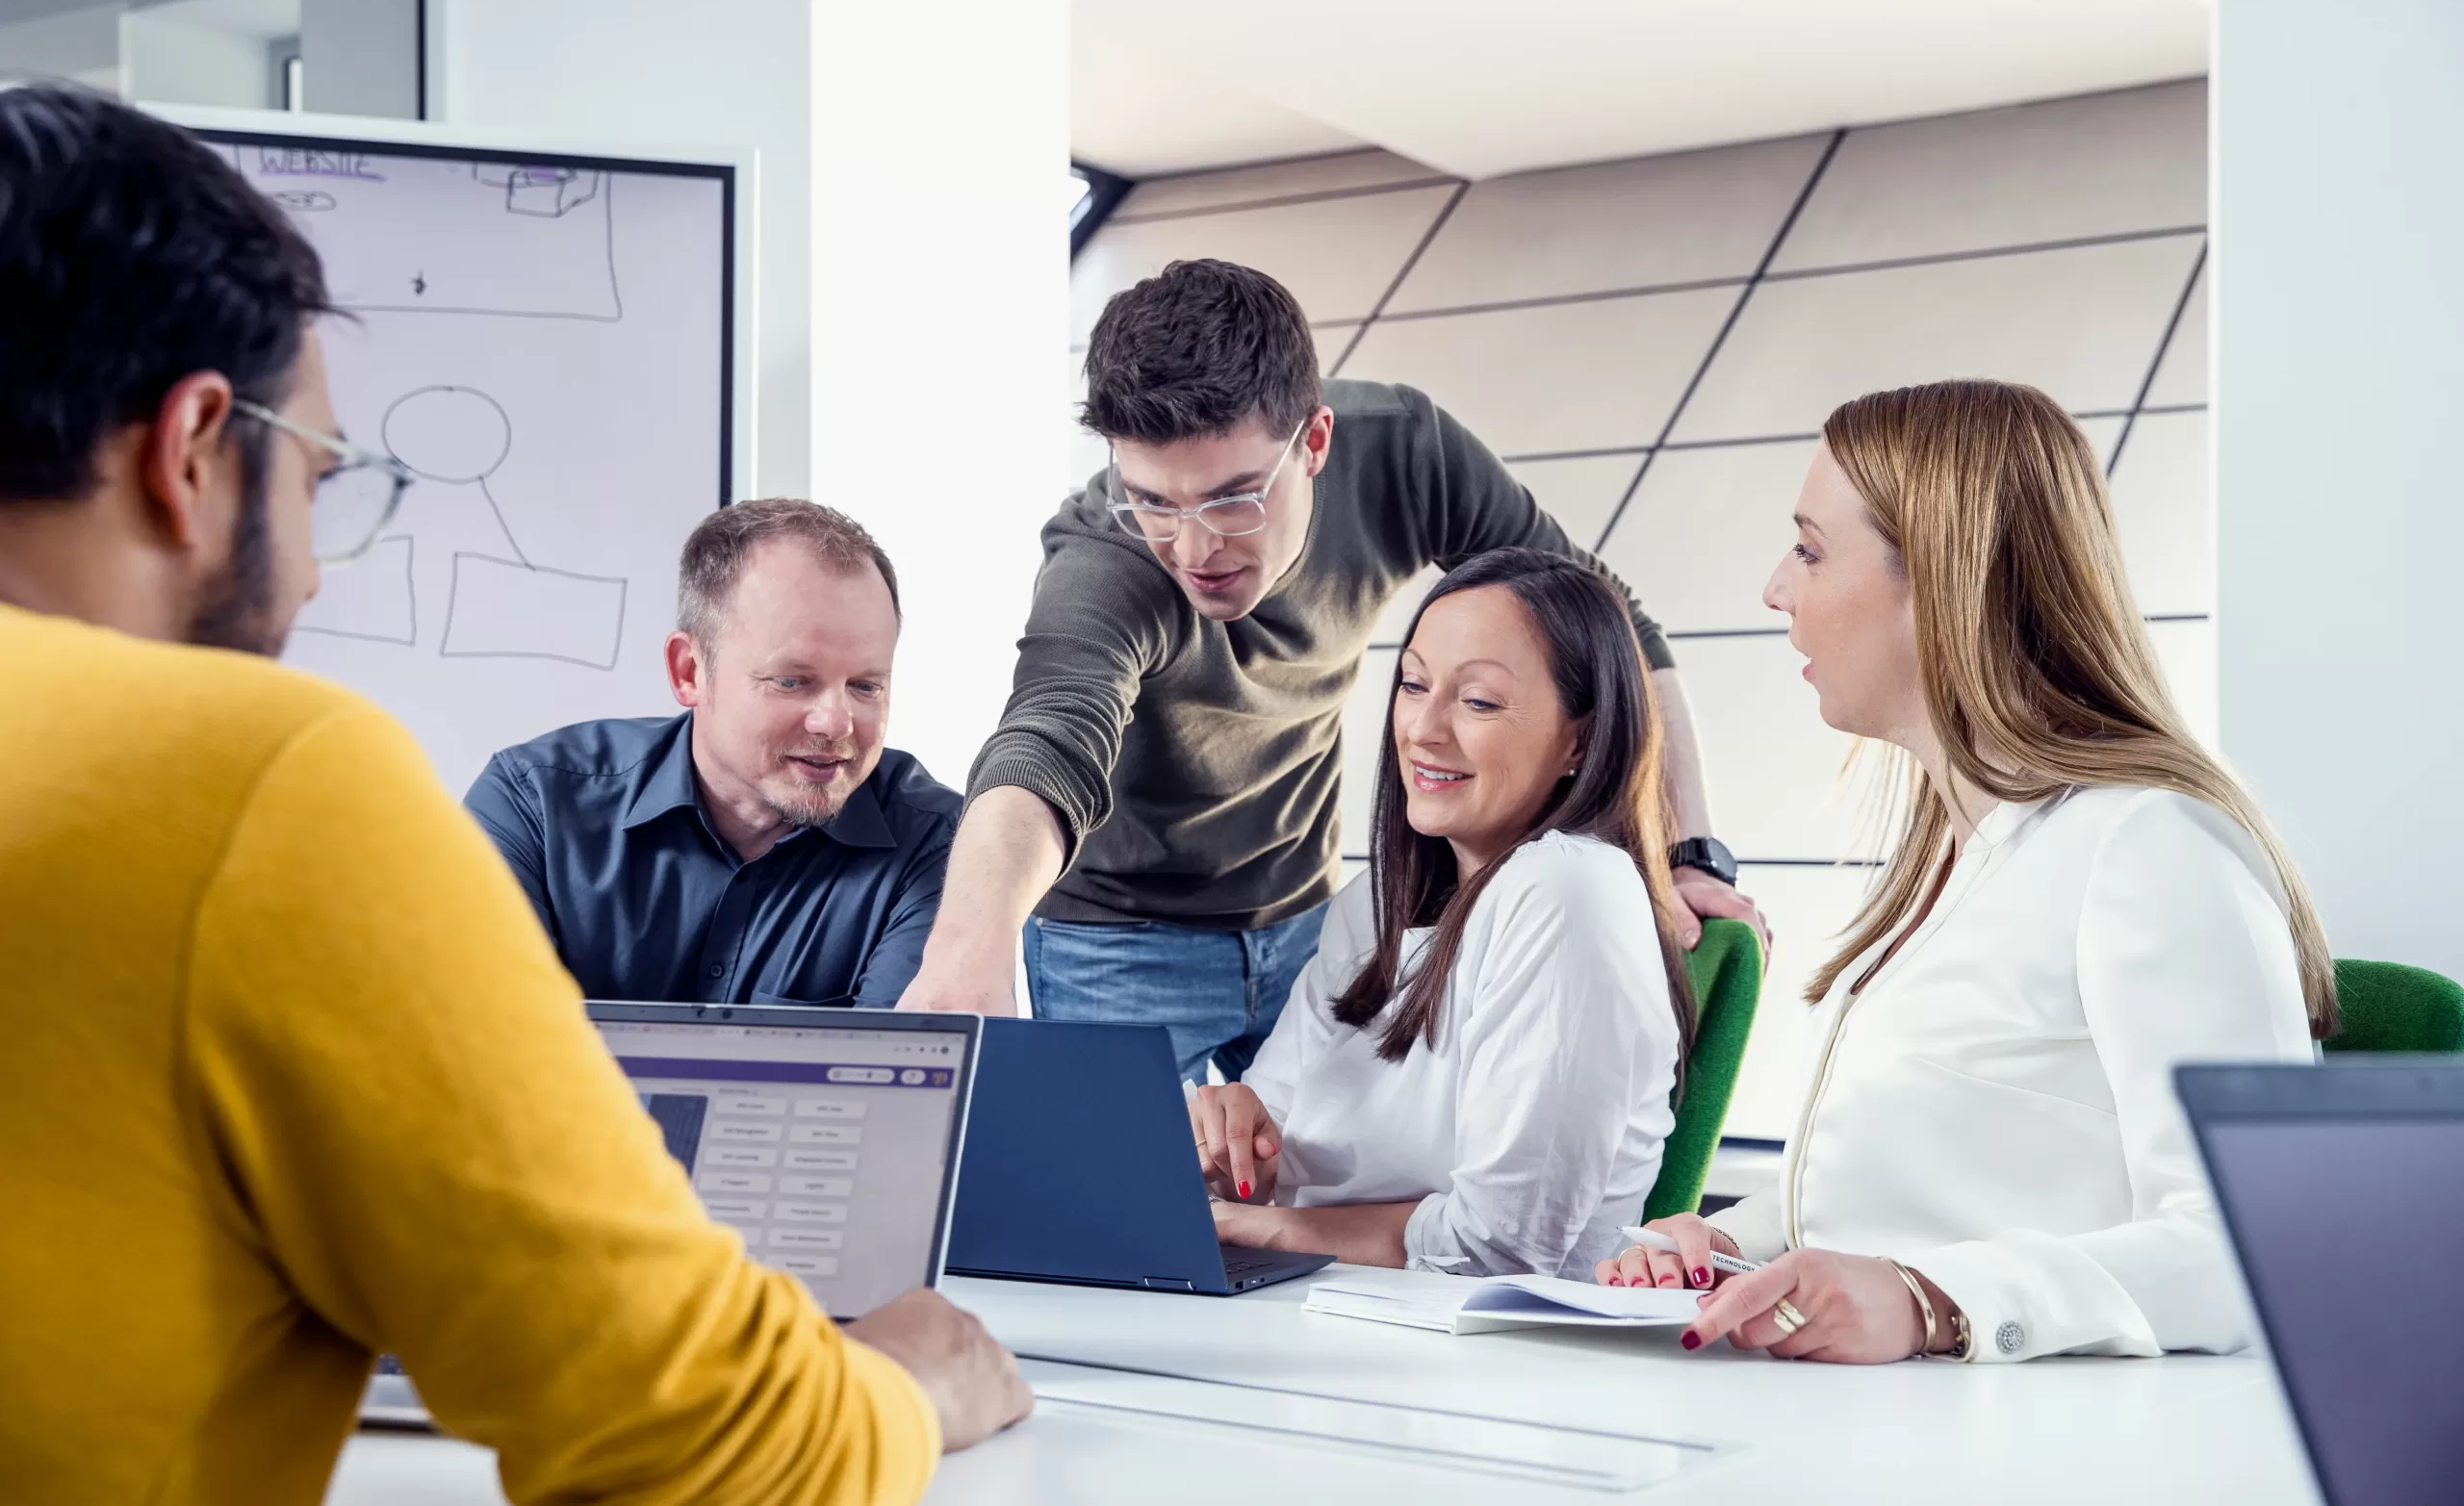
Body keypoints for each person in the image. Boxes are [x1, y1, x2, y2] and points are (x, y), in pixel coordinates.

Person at [0, 84, 1026, 1506]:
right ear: (190, 451)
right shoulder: (260, 778)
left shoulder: (918, 825)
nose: (307, 568)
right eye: (319, 476)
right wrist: (914, 1378)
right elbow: (700, 1441)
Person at [1599, 379, 2331, 1365]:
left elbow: (2253, 1249)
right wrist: (1729, 1247)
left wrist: (1929, 1300)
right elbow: (1891, 1190)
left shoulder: (2148, 846)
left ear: (1942, 579)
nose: (1776, 587)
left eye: (1811, 550)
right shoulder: (1949, 859)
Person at [901, 258, 1763, 1082]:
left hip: (1311, 918)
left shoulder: (1405, 453)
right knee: (1112, 1218)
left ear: (1315, 440)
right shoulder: (1105, 556)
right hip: (1119, 945)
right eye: (1155, 500)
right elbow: (1044, 742)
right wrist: (965, 956)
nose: (1193, 549)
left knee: (1320, 1205)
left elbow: (1609, 621)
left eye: (1234, 497)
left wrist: (1687, 851)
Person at [1190, 549, 1694, 1277]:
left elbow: (1501, 1245)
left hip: (1484, 1360)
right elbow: (1269, 1149)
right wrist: (1230, 1139)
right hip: (1320, 1323)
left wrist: (1267, 1229)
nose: (1424, 728)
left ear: (1579, 740)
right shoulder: (1374, 907)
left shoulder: (1570, 890)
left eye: (1479, 700)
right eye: (1414, 684)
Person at [466, 498, 960, 1007]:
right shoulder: (534, 807)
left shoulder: (941, 849)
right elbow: (478, 1052)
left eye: (865, 686)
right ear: (689, 672)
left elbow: (892, 1080)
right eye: (791, 681)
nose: (835, 722)